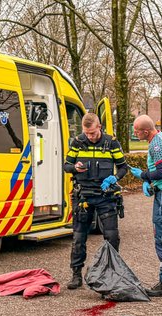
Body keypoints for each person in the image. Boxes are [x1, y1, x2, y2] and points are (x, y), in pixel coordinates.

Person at [63, 113, 128, 289]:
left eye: (92, 133)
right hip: (83, 195)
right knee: (78, 237)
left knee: (112, 236)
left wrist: (114, 179)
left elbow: (123, 167)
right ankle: (76, 275)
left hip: (105, 196)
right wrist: (74, 168)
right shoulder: (77, 142)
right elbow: (66, 165)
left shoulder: (111, 143)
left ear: (99, 127)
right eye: (86, 133)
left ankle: (110, 272)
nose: (89, 137)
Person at [129, 115, 162, 297]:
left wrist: (144, 176)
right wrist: (151, 184)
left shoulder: (156, 144)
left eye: (137, 130)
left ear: (145, 131)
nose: (135, 133)